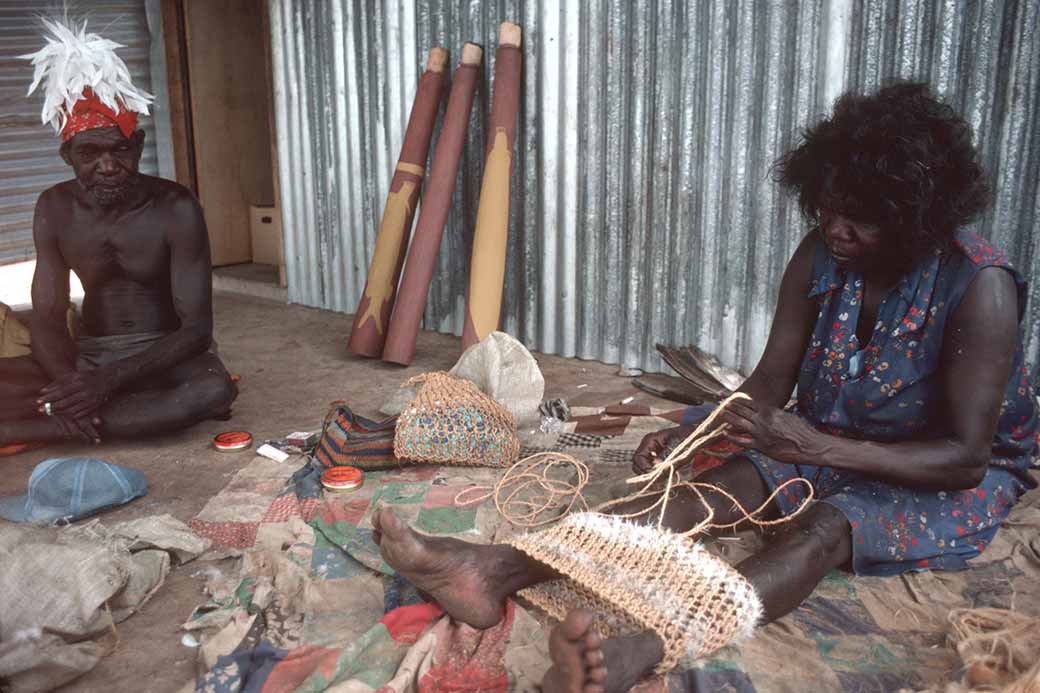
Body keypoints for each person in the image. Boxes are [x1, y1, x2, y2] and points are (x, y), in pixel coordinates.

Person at [371, 81, 1038, 692]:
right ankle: (493, 570)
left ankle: (637, 652)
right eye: (830, 205)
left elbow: (965, 456)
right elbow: (770, 382)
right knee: (707, 492)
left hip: (943, 474)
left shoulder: (979, 287)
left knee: (826, 529)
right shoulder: (824, 254)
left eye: (861, 217)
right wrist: (697, 431)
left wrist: (819, 448)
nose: (837, 227)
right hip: (832, 436)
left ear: (913, 217)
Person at [0, 19, 236, 445]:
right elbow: (48, 317)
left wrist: (106, 384)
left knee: (212, 390)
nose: (107, 166)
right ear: (67, 154)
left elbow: (196, 329)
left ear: (139, 145)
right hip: (89, 354)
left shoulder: (176, 207)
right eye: (89, 152)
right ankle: (93, 417)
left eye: (120, 149)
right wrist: (74, 384)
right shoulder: (53, 208)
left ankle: (47, 428)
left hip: (165, 354)